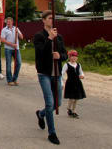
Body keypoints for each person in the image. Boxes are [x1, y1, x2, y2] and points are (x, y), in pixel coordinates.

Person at [34, 10, 67, 145]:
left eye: (53, 18)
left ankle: (41, 114)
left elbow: (65, 54)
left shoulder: (59, 37)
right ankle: (52, 133)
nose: (52, 20)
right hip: (44, 74)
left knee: (57, 104)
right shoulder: (39, 36)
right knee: (49, 103)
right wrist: (49, 38)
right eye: (49, 18)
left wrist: (61, 56)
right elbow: (41, 53)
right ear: (43, 20)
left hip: (57, 74)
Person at [62, 50, 86, 119]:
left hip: (78, 83)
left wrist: (82, 76)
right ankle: (69, 108)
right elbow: (62, 73)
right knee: (72, 98)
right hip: (70, 83)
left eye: (75, 56)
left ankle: (74, 111)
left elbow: (81, 72)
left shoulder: (78, 65)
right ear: (69, 57)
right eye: (72, 56)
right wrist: (62, 82)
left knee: (76, 98)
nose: (74, 58)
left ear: (77, 58)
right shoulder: (67, 65)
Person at [1, 17, 24, 86]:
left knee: (19, 63)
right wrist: (11, 44)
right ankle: (9, 80)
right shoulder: (4, 30)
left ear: (12, 22)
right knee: (8, 65)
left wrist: (18, 33)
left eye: (9, 21)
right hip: (8, 49)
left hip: (16, 49)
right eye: (7, 21)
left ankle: (14, 79)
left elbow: (22, 37)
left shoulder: (16, 28)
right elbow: (2, 40)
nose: (8, 22)